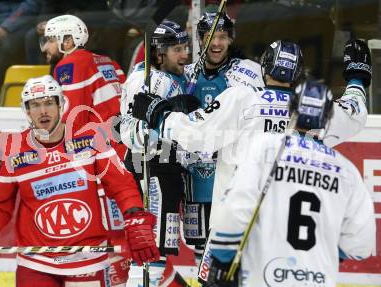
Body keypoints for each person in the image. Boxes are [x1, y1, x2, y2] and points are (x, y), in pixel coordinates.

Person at [131, 38, 371, 282]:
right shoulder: (316, 111)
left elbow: (193, 135)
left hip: (235, 230)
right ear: (298, 74)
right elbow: (355, 111)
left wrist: (159, 114)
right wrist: (357, 77)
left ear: (264, 67)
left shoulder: (242, 99)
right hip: (291, 243)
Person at [0, 75, 159, 287]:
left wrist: (135, 217)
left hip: (88, 262)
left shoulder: (90, 138)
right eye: (35, 105)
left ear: (61, 105)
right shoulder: (14, 150)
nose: (43, 111)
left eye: (49, 103)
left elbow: (121, 185)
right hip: (37, 265)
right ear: (27, 111)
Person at [206, 79, 376, 287]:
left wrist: (221, 259)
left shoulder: (266, 147)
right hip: (318, 279)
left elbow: (236, 208)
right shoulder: (346, 171)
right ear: (328, 117)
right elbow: (361, 243)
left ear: (291, 109)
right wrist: (327, 255)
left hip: (263, 276)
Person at [41, 14, 130, 286]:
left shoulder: (68, 66)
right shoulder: (108, 62)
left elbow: (72, 121)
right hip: (125, 153)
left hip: (100, 159)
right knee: (120, 230)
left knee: (106, 233)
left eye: (49, 40)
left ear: (67, 41)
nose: (45, 47)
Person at [181, 12, 264, 270]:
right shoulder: (188, 74)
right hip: (195, 179)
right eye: (209, 37)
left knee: (226, 252)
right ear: (200, 39)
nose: (216, 44)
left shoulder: (246, 73)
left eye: (222, 37)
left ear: (231, 39)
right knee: (199, 249)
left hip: (230, 180)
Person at [120, 20, 198, 287]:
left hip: (164, 173)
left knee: (157, 254)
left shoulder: (171, 78)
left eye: (185, 47)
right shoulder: (150, 81)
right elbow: (130, 133)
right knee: (149, 256)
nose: (185, 54)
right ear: (158, 53)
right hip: (152, 173)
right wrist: (166, 119)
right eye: (178, 49)